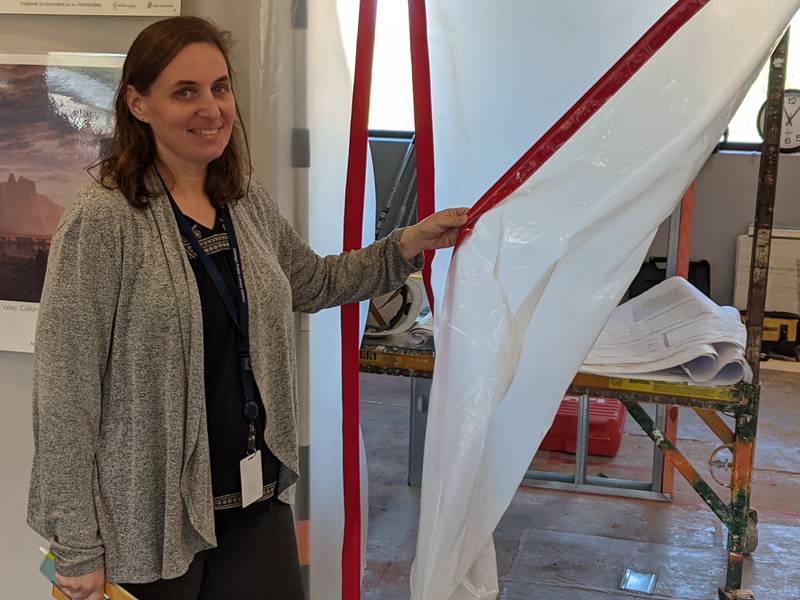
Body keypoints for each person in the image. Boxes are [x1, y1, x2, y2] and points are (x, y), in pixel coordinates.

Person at [27, 16, 467, 600]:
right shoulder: (103, 220)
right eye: (185, 92)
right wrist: (77, 545)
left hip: (253, 497)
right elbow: (65, 391)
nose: (211, 108)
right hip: (150, 520)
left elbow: (314, 282)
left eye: (220, 87)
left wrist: (408, 244)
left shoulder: (242, 201)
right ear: (138, 103)